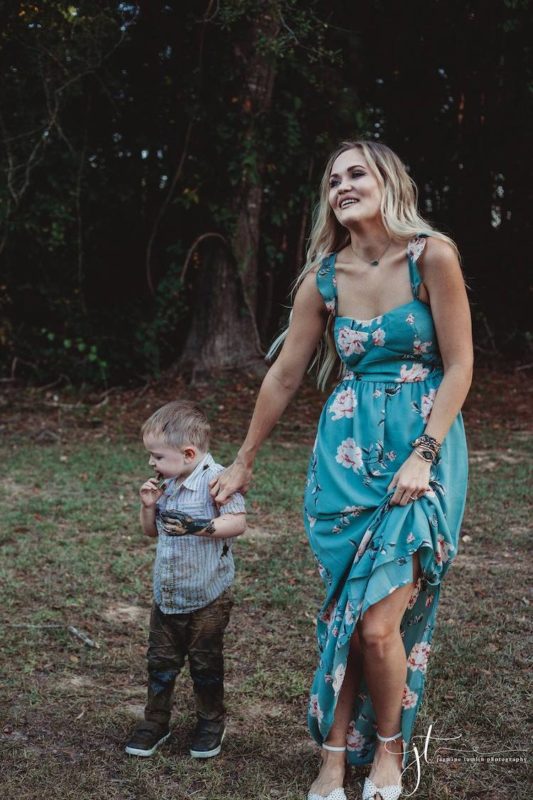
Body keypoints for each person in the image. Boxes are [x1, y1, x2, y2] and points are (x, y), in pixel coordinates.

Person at [210, 140, 472, 800]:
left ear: (387, 181)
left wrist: (425, 453)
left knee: (380, 626)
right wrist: (243, 460)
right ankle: (332, 756)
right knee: (349, 617)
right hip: (345, 460)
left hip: (420, 452)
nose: (343, 185)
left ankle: (387, 749)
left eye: (356, 173)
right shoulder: (323, 278)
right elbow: (285, 375)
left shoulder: (431, 256)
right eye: (332, 180)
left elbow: (460, 365)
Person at [125, 400, 246, 760]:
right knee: (160, 663)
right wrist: (148, 506)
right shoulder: (167, 484)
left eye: (157, 456)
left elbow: (237, 522)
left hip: (208, 596)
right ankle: (155, 721)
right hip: (168, 595)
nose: (152, 463)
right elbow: (150, 533)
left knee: (205, 664)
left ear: (189, 452)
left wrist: (198, 526)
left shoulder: (217, 480)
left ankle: (210, 722)